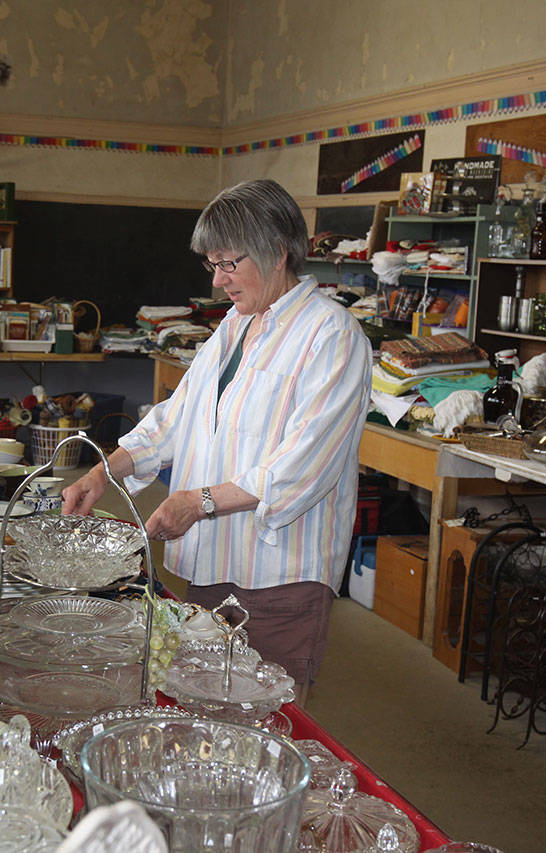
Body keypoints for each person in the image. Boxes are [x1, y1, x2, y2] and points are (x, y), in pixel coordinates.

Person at [62, 178, 370, 692]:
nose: (219, 281)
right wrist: (103, 471)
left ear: (276, 251)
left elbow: (301, 470)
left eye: (229, 264)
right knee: (201, 708)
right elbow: (175, 419)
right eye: (213, 265)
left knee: (263, 722)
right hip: (211, 564)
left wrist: (196, 502)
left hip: (277, 577)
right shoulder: (233, 326)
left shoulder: (331, 336)